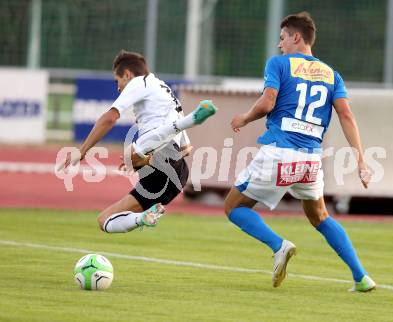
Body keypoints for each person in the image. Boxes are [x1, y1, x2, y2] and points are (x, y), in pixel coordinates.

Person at [224, 12, 376, 292]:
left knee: (233, 207)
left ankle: (278, 246)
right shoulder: (332, 74)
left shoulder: (279, 64)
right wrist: (361, 159)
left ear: (296, 37)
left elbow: (268, 102)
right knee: (320, 216)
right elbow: (346, 116)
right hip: (310, 160)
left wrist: (244, 118)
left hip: (279, 153)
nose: (280, 45)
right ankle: (361, 277)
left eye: (282, 38)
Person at [61, 50, 217, 233]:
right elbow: (186, 148)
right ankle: (142, 217)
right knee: (105, 220)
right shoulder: (163, 89)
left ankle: (188, 122)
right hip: (178, 175)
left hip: (163, 156)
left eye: (117, 81)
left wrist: (82, 151)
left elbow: (109, 118)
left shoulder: (139, 82)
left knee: (132, 152)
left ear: (127, 74)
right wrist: (144, 162)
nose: (118, 87)